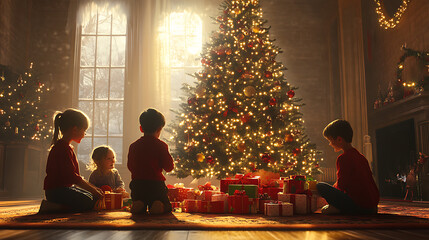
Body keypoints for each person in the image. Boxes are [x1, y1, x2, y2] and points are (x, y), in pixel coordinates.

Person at [40, 109, 104, 213]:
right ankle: (52, 207)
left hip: (62, 190)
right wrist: (93, 190)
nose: (84, 134)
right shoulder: (62, 149)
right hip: (56, 192)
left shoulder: (66, 147)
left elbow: (76, 177)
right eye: (84, 130)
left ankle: (57, 205)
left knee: (91, 197)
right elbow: (72, 177)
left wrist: (94, 189)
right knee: (89, 201)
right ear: (75, 129)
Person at [317, 119, 379, 215]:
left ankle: (343, 210)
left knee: (320, 186)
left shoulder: (343, 158)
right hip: (372, 206)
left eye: (330, 140)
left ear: (339, 139)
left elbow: (341, 186)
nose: (330, 144)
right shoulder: (361, 157)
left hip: (358, 206)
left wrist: (330, 195)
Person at [127, 108, 174, 214]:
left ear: (141, 128)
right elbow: (169, 167)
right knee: (167, 206)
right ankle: (158, 204)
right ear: (159, 129)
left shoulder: (134, 146)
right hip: (156, 185)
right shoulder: (161, 145)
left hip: (137, 185)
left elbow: (130, 166)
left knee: (140, 200)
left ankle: (139, 203)